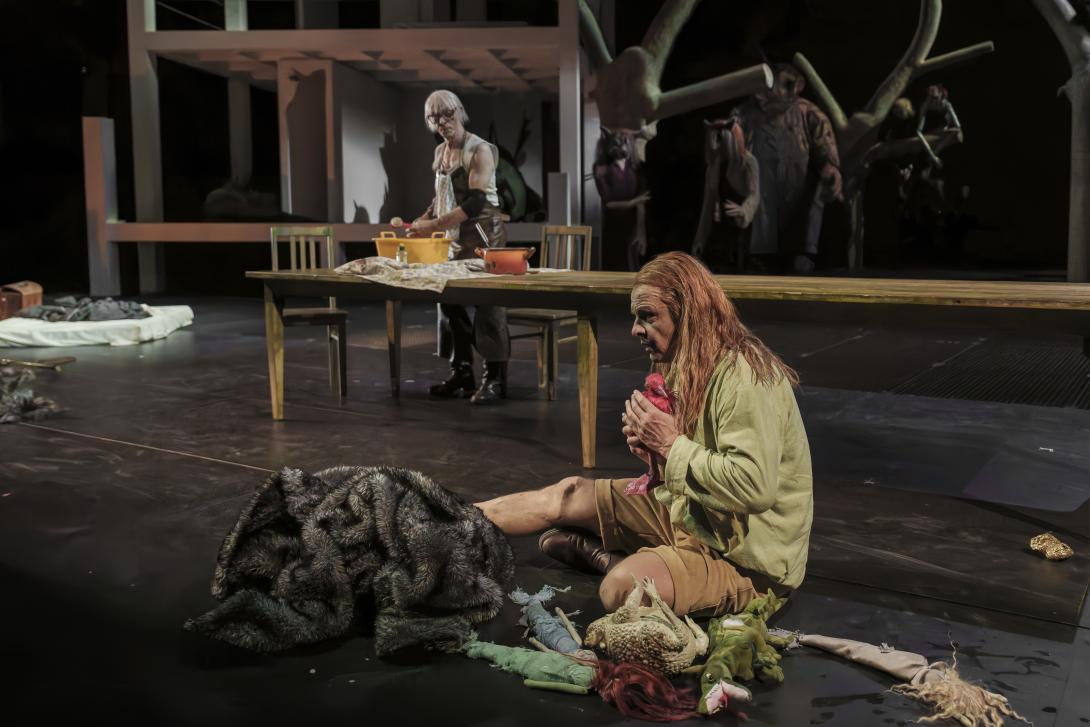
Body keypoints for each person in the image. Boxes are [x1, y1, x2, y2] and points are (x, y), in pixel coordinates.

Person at [476, 252, 813, 616]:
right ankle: (449, 521)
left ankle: (613, 562)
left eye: (648, 316)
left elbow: (754, 487)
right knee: (569, 494)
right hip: (698, 515)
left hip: (746, 559)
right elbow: (694, 462)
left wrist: (670, 444)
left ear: (688, 313)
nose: (636, 329)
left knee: (620, 589)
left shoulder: (742, 377)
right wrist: (656, 455)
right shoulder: (686, 362)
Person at [410, 89, 510, 405]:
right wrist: (423, 219)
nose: (442, 121)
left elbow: (476, 202)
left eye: (447, 113)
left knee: (488, 304)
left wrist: (433, 226)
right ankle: (462, 371)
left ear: (459, 111)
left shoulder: (479, 150)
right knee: (448, 298)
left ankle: (495, 379)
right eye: (434, 117)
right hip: (455, 237)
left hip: (485, 234)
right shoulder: (441, 152)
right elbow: (441, 197)